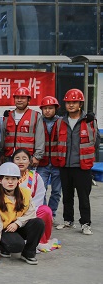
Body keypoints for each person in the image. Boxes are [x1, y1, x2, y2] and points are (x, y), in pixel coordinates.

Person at [56, 88, 99, 235]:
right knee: (67, 195)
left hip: (82, 166)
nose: (71, 105)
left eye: (74, 102)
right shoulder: (60, 122)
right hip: (65, 165)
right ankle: (68, 220)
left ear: (80, 104)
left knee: (83, 197)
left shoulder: (90, 121)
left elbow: (95, 141)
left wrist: (86, 158)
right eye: (68, 102)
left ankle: (85, 223)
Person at [0, 162, 45, 265]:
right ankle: (4, 247)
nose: (10, 182)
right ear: (0, 181)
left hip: (21, 225)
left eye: (13, 179)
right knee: (16, 246)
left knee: (38, 223)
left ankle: (28, 253)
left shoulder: (25, 193)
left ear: (18, 180)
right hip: (6, 230)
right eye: (6, 178)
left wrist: (17, 223)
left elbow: (31, 213)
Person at [12, 148, 54, 248]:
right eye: (17, 158)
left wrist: (26, 210)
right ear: (13, 161)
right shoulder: (7, 176)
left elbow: (39, 196)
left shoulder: (35, 176)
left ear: (29, 161)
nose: (21, 161)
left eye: (24, 159)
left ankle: (40, 241)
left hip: (30, 211)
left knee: (46, 210)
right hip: (11, 212)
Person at [37, 96, 66, 219]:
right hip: (42, 163)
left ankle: (52, 213)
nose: (47, 111)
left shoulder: (62, 122)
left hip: (57, 163)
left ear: (56, 109)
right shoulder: (38, 122)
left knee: (56, 191)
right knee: (41, 190)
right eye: (45, 108)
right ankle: (44, 213)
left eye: (50, 108)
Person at [0, 87, 44, 165]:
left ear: (28, 100)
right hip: (9, 157)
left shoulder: (35, 116)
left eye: (23, 98)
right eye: (17, 98)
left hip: (27, 158)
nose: (19, 100)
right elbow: (3, 136)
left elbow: (40, 137)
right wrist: (2, 153)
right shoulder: (8, 116)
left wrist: (37, 156)